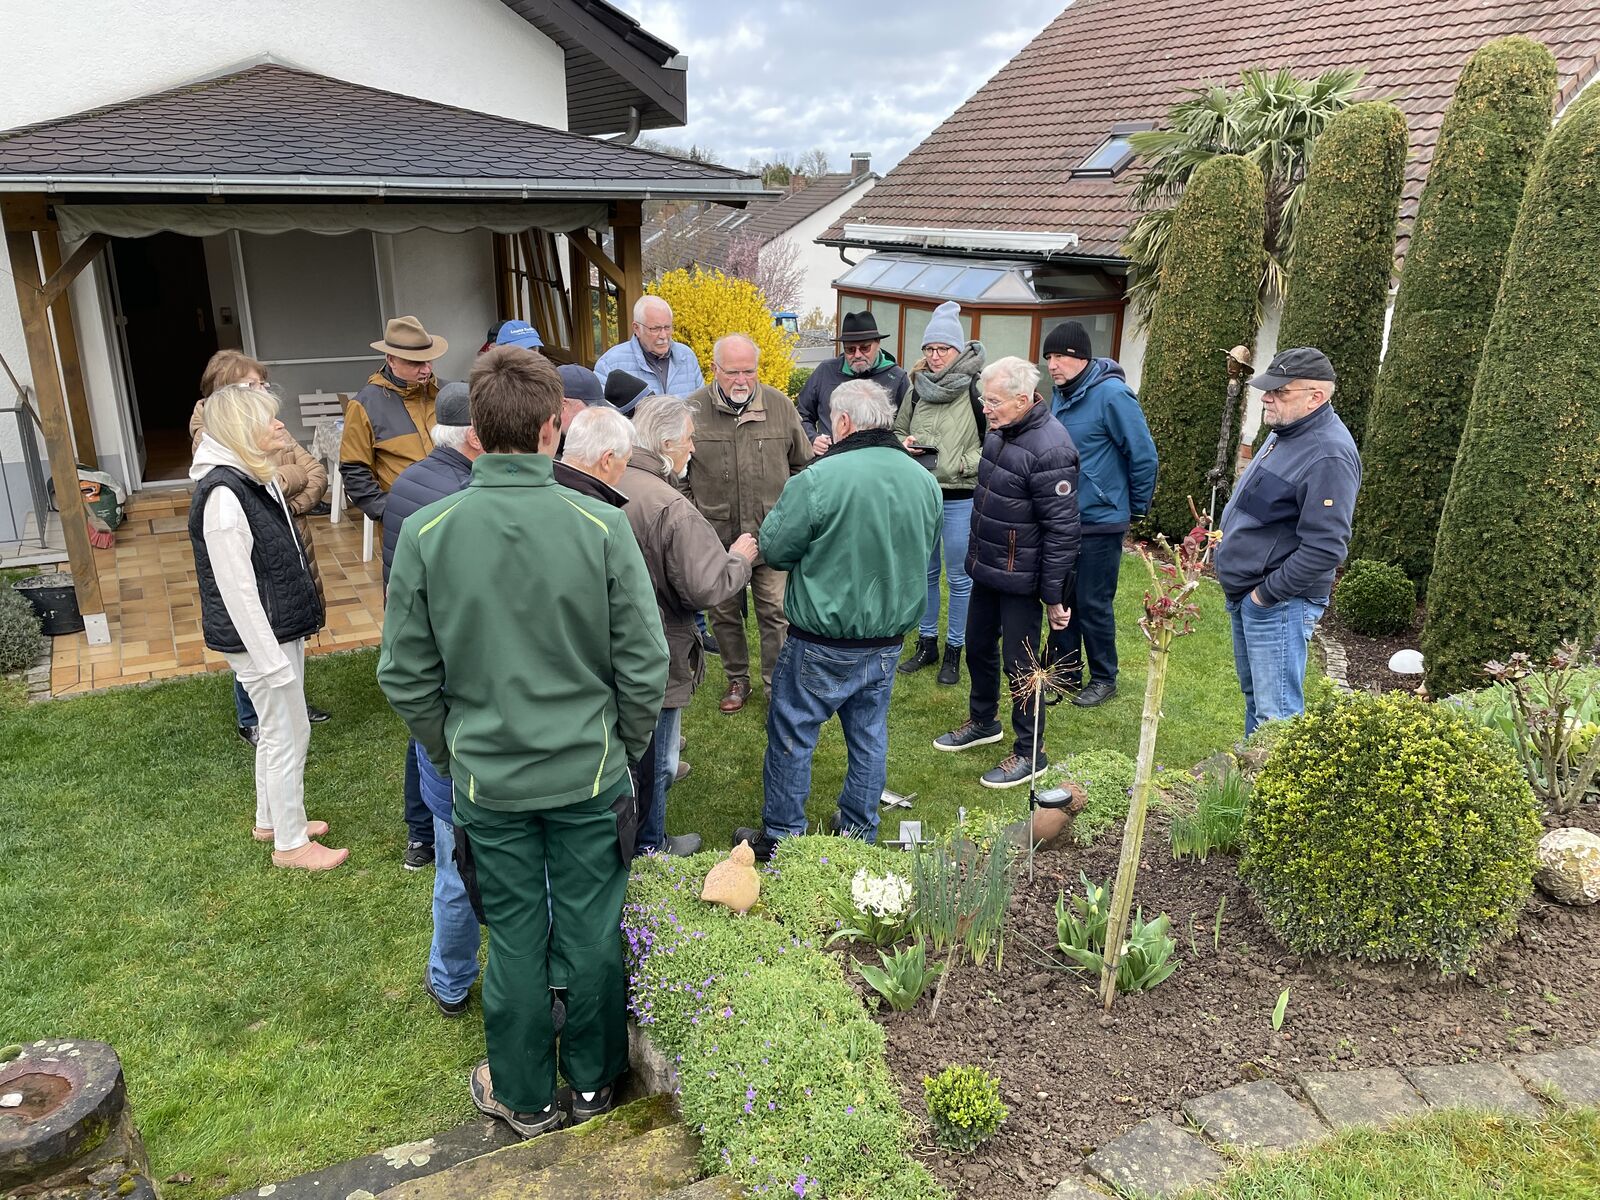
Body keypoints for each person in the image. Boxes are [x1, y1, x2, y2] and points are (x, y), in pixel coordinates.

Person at [379, 345, 667, 1138]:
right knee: (589, 933)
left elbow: (405, 676)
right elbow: (645, 666)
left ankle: (529, 1098)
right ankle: (593, 1088)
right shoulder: (602, 524)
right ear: (554, 428)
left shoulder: (430, 532)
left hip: (492, 785)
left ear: (475, 434)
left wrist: (453, 752)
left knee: (511, 938)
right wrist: (621, 746)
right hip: (588, 777)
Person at [735, 380, 940, 859]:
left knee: (792, 733)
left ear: (843, 423)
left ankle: (784, 836)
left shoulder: (818, 479)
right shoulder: (924, 480)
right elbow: (924, 549)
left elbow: (777, 549)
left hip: (822, 638)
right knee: (869, 736)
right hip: (888, 640)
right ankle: (858, 832)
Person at [189, 385, 346, 870]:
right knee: (287, 731)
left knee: (280, 728)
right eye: (270, 421)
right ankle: (292, 844)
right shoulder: (223, 496)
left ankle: (270, 821)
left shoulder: (248, 479)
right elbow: (237, 592)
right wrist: (272, 662)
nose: (281, 426)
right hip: (262, 641)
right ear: (242, 432)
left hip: (275, 634)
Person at [379, 381, 484, 1016]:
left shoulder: (410, 484)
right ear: (475, 436)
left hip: (431, 685)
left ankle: (448, 983)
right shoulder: (458, 502)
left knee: (451, 861)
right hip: (461, 700)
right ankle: (455, 975)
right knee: (463, 868)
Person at [934, 357, 1080, 789]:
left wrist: (1054, 596)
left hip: (1023, 578)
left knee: (1022, 664)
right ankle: (983, 721)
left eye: (993, 401)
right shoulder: (1000, 433)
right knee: (978, 646)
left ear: (1022, 399)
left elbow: (1063, 530)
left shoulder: (1052, 447)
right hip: (988, 568)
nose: (986, 408)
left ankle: (1029, 751)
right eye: (984, 399)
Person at [625, 395, 758, 856]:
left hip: (613, 647)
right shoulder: (669, 505)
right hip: (657, 649)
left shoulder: (611, 480)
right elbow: (706, 587)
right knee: (657, 758)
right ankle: (651, 845)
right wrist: (738, 558)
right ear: (665, 444)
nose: (694, 449)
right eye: (688, 440)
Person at [342, 315, 447, 870]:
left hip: (455, 539)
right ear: (391, 361)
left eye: (428, 359)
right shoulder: (366, 404)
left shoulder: (446, 395)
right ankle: (420, 830)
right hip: (409, 545)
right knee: (424, 686)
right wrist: (394, 514)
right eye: (415, 361)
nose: (425, 368)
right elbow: (354, 477)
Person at [1216, 347, 1360, 735]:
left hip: (1278, 605)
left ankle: (1272, 794)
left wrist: (1265, 596)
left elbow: (1326, 547)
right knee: (1258, 704)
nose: (1267, 397)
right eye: (1268, 389)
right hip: (1249, 594)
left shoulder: (1328, 454)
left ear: (1316, 397)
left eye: (1280, 391)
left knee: (1276, 718)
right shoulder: (1284, 430)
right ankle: (1248, 789)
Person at [189, 351, 331, 741]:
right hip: (262, 555)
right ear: (223, 394)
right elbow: (259, 480)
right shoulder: (217, 437)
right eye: (250, 385)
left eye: (261, 384)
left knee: (289, 630)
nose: (261, 391)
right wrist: (277, 489)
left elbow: (315, 472)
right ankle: (253, 716)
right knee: (258, 638)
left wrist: (283, 499)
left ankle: (291, 706)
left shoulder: (268, 425)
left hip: (288, 540)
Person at [686, 333, 812, 712]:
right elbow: (677, 474)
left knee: (776, 612)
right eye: (733, 372)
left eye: (749, 371)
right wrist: (696, 518)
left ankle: (776, 687)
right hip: (717, 538)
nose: (742, 380)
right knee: (723, 612)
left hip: (771, 535)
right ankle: (736, 680)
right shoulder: (691, 410)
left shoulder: (779, 405)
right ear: (714, 370)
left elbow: (803, 466)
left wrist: (787, 516)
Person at [1042, 320, 1159, 708]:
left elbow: (1143, 455)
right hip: (1063, 517)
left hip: (1101, 518)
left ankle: (1104, 676)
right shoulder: (1061, 394)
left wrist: (1133, 508)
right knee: (1060, 595)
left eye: (1059, 356)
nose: (1052, 365)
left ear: (1081, 358)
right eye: (1048, 358)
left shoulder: (1113, 395)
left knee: (1092, 601)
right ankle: (1064, 672)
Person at [893, 301, 987, 686]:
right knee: (925, 573)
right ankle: (927, 643)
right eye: (929, 349)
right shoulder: (915, 390)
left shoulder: (976, 389)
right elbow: (896, 432)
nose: (934, 356)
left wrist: (964, 464)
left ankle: (955, 649)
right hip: (922, 494)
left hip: (961, 497)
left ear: (957, 350)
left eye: (942, 349)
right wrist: (906, 444)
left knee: (961, 578)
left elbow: (995, 440)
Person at [797, 311, 910, 453]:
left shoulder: (897, 377)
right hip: (830, 459)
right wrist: (812, 438)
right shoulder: (825, 371)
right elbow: (802, 414)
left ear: (877, 343)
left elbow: (905, 427)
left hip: (876, 461)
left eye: (864, 348)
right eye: (850, 349)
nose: (857, 355)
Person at [593, 297, 704, 397]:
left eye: (667, 327)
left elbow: (700, 406)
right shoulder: (611, 363)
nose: (663, 336)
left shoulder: (687, 356)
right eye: (655, 329)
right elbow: (602, 415)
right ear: (636, 328)